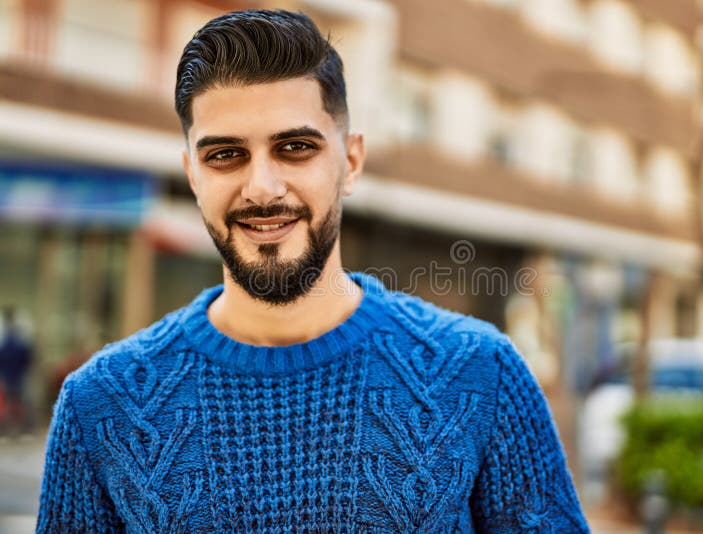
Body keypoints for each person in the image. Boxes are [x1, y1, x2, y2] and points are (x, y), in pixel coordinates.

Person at [37, 9, 589, 532]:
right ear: (192, 174)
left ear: (350, 161)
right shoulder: (100, 404)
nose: (262, 188)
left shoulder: (480, 373)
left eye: (295, 147)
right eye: (225, 155)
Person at [0, 306, 33, 436]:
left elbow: (26, 355)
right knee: (11, 402)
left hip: (17, 374)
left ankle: (20, 428)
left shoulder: (19, 333)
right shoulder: (8, 334)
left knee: (19, 402)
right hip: (11, 373)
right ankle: (12, 429)